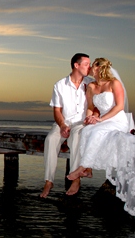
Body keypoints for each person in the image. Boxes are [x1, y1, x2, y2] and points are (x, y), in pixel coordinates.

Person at [67, 58, 135, 222]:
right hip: (101, 120)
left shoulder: (114, 83)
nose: (89, 69)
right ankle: (88, 170)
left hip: (116, 120)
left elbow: (119, 107)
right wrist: (89, 119)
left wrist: (101, 120)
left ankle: (82, 167)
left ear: (98, 68)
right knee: (87, 132)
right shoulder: (91, 87)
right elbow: (90, 107)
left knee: (96, 133)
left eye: (92, 66)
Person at [40, 53, 95, 198]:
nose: (89, 67)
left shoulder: (90, 83)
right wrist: (63, 125)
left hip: (81, 124)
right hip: (63, 122)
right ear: (76, 66)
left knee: (77, 138)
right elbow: (57, 110)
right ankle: (48, 181)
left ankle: (75, 179)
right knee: (50, 139)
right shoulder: (60, 85)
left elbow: (95, 106)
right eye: (86, 64)